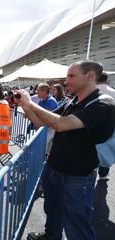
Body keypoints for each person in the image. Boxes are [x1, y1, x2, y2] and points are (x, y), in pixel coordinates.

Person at [17, 60, 115, 240]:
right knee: (52, 212)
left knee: (76, 225)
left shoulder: (103, 105)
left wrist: (31, 104)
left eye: (71, 76)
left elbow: (61, 124)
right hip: (53, 169)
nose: (65, 82)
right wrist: (25, 106)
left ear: (90, 76)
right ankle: (51, 236)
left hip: (77, 177)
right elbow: (43, 124)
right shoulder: (73, 102)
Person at [96, 72, 115, 181]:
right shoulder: (113, 92)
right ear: (106, 80)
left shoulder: (89, 91)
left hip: (90, 125)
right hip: (110, 126)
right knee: (106, 150)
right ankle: (103, 174)